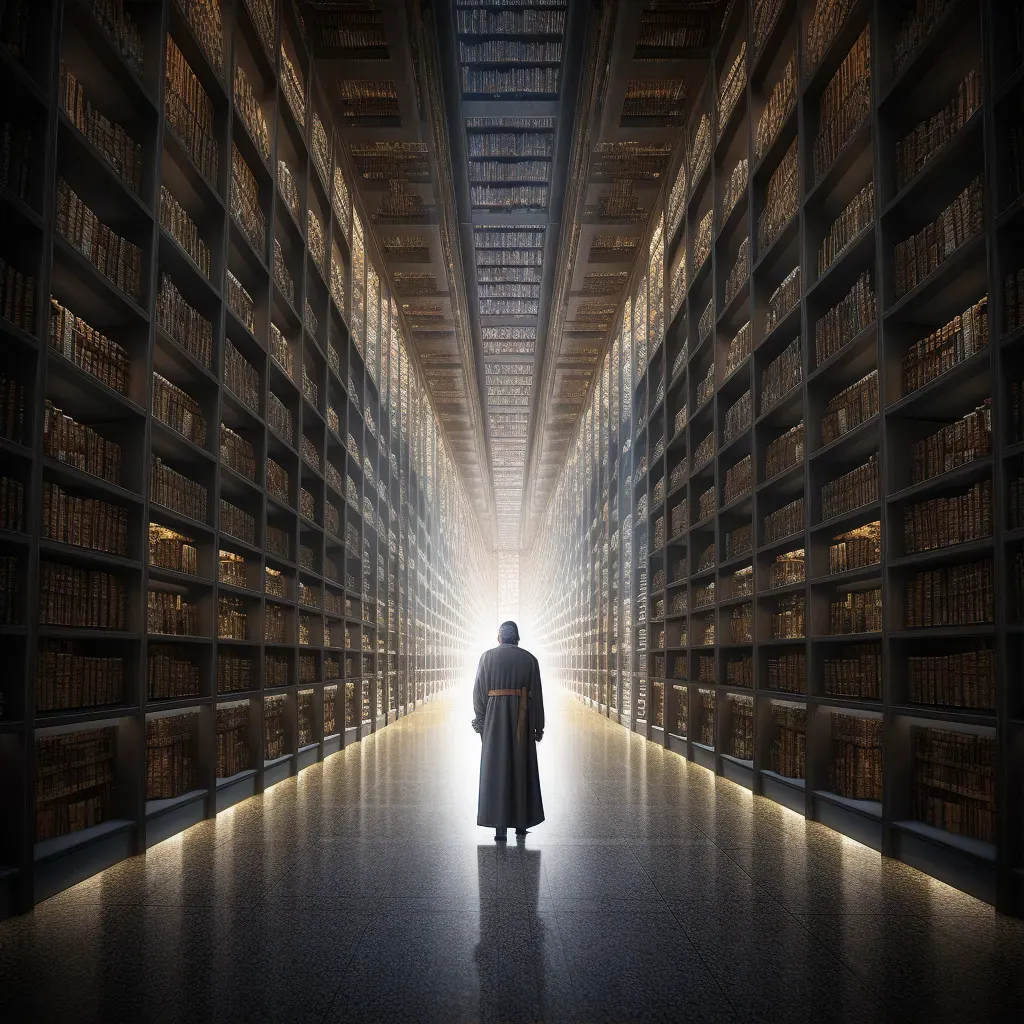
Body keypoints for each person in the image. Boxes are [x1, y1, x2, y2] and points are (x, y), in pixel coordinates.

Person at [471, 620, 545, 841]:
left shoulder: (487, 657)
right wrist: (538, 726)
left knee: (497, 769)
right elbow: (538, 697)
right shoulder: (530, 660)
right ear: (517, 638)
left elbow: (478, 693)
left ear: (500, 637)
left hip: (495, 720)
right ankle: (521, 825)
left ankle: (499, 827)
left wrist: (482, 721)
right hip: (523, 719)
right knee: (521, 768)